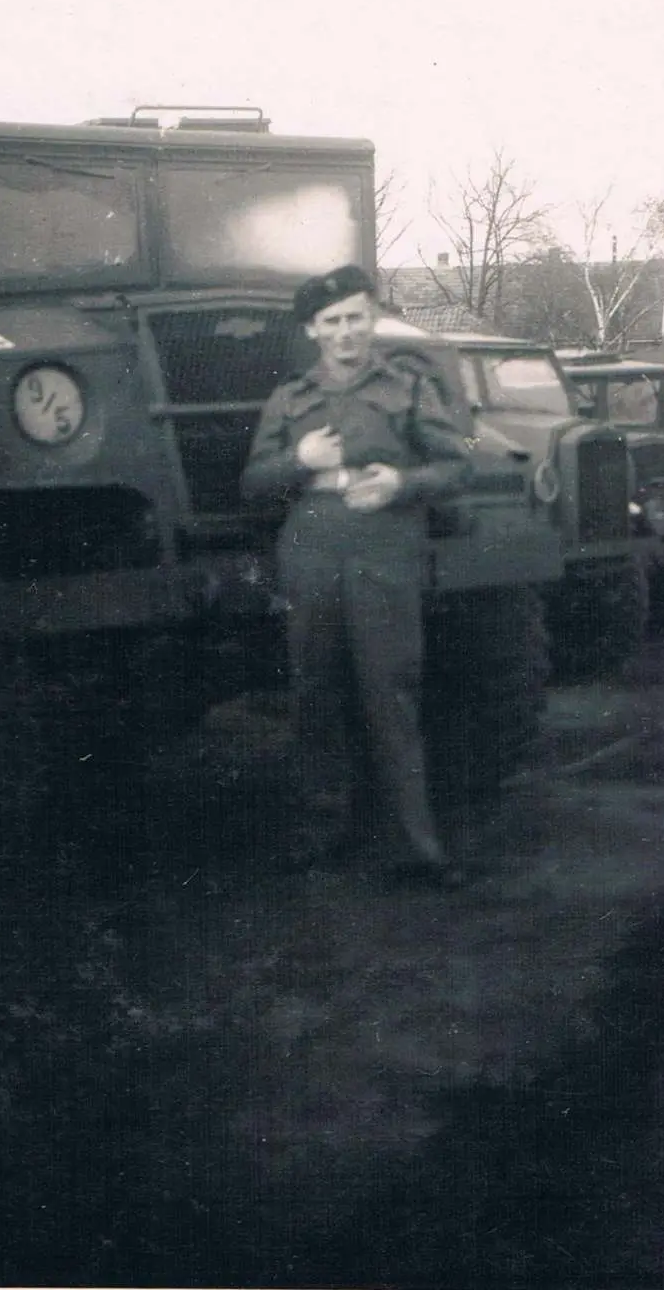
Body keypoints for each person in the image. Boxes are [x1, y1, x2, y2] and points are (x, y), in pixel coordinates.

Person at [241, 264, 474, 887]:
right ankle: (322, 832)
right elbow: (254, 482)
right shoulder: (290, 397)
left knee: (390, 693)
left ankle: (415, 848)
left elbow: (456, 466)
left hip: (383, 543)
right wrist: (300, 459)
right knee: (315, 691)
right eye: (332, 321)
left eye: (355, 318)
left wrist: (402, 482)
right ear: (313, 330)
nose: (345, 332)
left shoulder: (408, 387)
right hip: (311, 545)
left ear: (372, 320)